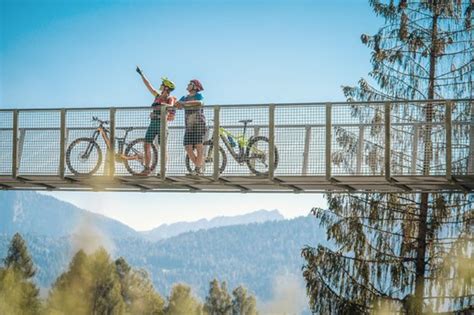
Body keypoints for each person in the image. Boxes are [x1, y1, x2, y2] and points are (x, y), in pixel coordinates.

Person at [136, 66, 176, 176]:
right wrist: (142, 74)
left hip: (162, 123)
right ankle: (147, 168)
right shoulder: (157, 95)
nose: (161, 86)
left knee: (162, 147)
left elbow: (171, 106)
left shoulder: (170, 98)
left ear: (166, 88)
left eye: (163, 84)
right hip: (153, 122)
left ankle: (163, 169)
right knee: (146, 144)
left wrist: (161, 104)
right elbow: (149, 86)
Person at [175, 79, 206, 175]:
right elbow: (177, 105)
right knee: (187, 147)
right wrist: (180, 104)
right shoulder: (185, 97)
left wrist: (184, 104)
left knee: (198, 147)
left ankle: (197, 169)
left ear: (195, 87)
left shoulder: (198, 95)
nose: (188, 85)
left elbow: (200, 102)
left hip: (198, 124)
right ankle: (199, 166)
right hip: (188, 125)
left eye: (190, 84)